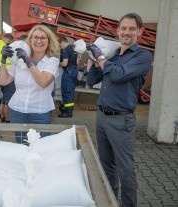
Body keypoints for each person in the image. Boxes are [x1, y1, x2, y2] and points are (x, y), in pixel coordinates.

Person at [86, 13, 152, 207]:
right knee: (107, 167)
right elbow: (91, 81)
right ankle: (110, 202)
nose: (126, 32)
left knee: (125, 169)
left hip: (121, 121)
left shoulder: (142, 56)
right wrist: (91, 56)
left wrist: (101, 58)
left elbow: (118, 75)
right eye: (123, 28)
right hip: (102, 117)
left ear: (140, 32)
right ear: (117, 31)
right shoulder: (113, 55)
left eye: (132, 29)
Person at [0, 24, 60, 143]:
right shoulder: (19, 59)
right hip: (17, 111)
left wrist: (28, 62)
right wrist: (3, 60)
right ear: (30, 40)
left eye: (43, 38)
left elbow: (43, 82)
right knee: (21, 146)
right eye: (35, 37)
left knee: (40, 148)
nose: (39, 41)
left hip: (40, 113)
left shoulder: (51, 61)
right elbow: (4, 80)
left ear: (49, 41)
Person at [0, 34, 13, 120]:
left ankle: (2, 118)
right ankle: (8, 121)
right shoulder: (11, 56)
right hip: (8, 78)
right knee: (7, 102)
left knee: (2, 101)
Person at [58, 36, 78, 118]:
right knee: (70, 91)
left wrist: (58, 63)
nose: (60, 47)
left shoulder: (66, 49)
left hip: (68, 72)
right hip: (74, 71)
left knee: (67, 91)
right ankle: (69, 110)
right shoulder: (74, 48)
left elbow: (65, 64)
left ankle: (68, 113)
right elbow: (77, 61)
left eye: (59, 45)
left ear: (62, 42)